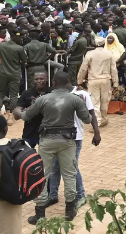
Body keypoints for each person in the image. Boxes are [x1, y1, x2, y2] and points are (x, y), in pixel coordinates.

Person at [15, 71, 93, 223]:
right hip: (67, 142)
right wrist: (82, 104)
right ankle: (70, 210)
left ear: (54, 83)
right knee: (70, 174)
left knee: (42, 174)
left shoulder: (43, 99)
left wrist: (18, 111)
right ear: (68, 82)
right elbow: (88, 119)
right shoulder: (75, 99)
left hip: (47, 141)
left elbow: (25, 116)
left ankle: (40, 213)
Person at [48, 78, 101, 209]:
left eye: (55, 83)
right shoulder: (57, 94)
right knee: (54, 167)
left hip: (74, 137)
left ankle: (80, 196)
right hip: (57, 137)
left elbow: (91, 114)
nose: (54, 86)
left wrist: (97, 132)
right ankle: (52, 195)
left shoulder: (82, 94)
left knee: (71, 168)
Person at [77, 36, 119, 127]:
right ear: (104, 44)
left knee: (95, 102)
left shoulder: (89, 54)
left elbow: (83, 69)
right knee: (105, 100)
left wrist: (79, 81)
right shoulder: (109, 54)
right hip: (106, 80)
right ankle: (103, 119)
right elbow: (114, 70)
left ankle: (97, 122)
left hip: (93, 80)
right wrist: (115, 83)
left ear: (95, 44)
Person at [0, 28, 26, 125]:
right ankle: (10, 117)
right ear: (15, 37)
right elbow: (24, 61)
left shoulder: (2, 44)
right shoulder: (19, 48)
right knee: (13, 95)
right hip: (15, 73)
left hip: (3, 72)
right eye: (20, 37)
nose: (21, 39)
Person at [13, 71, 50, 149]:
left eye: (42, 79)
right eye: (36, 79)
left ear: (47, 79)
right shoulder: (27, 93)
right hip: (29, 132)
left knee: (46, 159)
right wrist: (26, 111)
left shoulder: (51, 92)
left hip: (47, 133)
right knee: (26, 156)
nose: (39, 81)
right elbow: (16, 114)